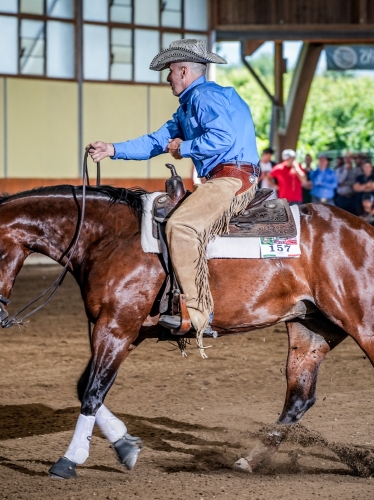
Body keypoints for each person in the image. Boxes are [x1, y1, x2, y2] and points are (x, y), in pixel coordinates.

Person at [87, 38, 256, 339]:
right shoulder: (190, 106)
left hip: (232, 178)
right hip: (223, 176)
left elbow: (224, 139)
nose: (167, 78)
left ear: (182, 71)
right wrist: (113, 148)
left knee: (181, 226)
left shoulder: (205, 97)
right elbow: (156, 141)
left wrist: (184, 147)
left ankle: (198, 312)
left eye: (169, 71)